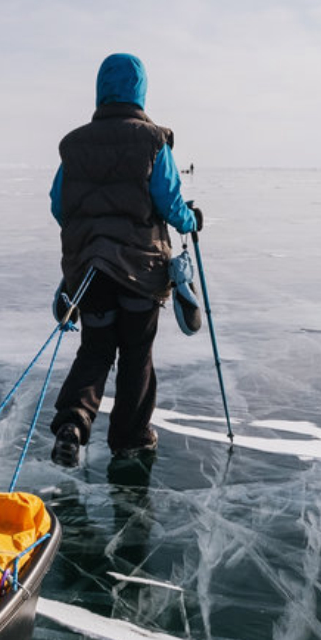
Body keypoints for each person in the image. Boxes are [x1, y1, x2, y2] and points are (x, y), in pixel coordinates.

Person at [48, 52, 200, 468]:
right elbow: (169, 203)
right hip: (140, 271)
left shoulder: (74, 144)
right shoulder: (152, 140)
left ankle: (73, 424)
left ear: (101, 89)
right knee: (136, 354)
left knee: (95, 350)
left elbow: (59, 204)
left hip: (90, 272)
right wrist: (191, 219)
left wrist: (90, 234)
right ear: (140, 90)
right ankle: (130, 437)